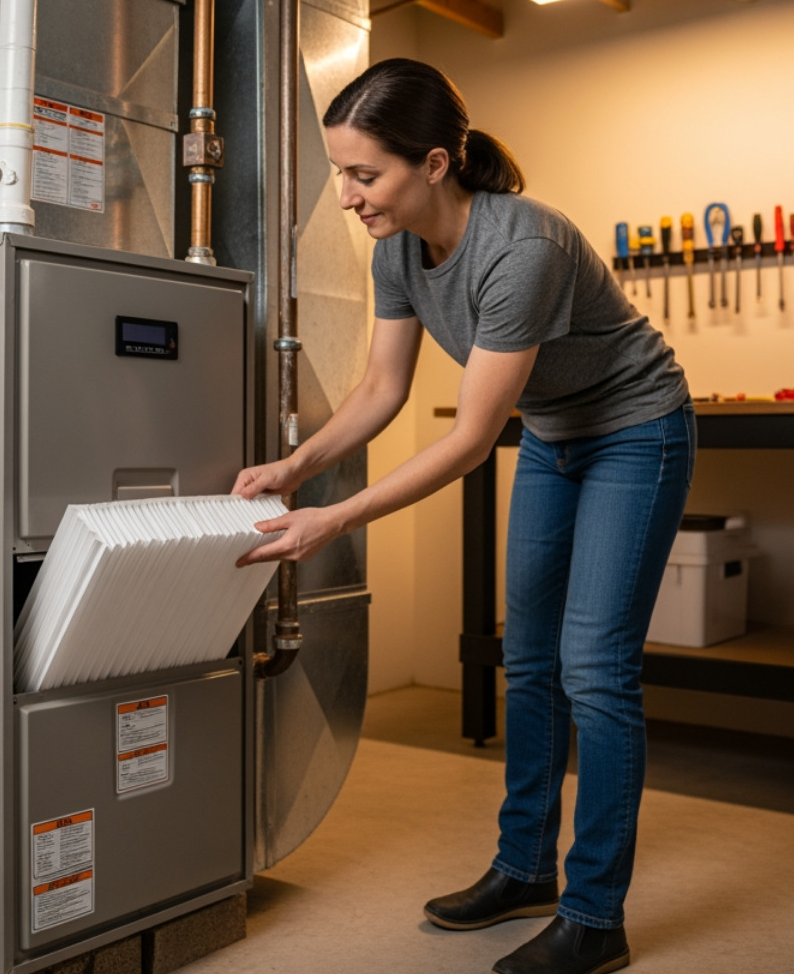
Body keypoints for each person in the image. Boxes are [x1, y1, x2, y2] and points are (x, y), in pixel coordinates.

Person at [233, 58, 693, 974]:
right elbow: (382, 388)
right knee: (530, 658)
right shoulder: (398, 250)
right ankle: (524, 868)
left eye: (364, 175)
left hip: (636, 431)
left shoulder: (525, 249)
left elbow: (472, 439)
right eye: (341, 172)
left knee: (594, 669)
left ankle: (596, 916)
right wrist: (296, 466)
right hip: (556, 434)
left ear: (435, 164)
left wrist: (336, 519)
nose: (346, 196)